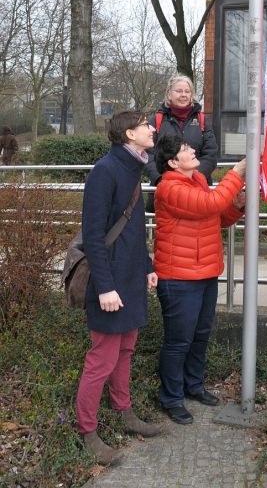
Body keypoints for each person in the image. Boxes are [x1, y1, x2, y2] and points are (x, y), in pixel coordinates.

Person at [76, 110, 163, 466]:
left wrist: (147, 268)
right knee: (102, 358)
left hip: (130, 278)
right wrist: (105, 288)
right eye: (146, 125)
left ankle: (124, 412)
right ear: (129, 134)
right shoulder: (105, 171)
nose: (152, 129)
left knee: (126, 348)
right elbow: (94, 237)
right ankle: (87, 431)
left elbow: (133, 230)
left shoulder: (133, 169)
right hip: (109, 282)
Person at [153, 133, 246, 424]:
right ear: (172, 162)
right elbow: (209, 205)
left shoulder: (198, 182)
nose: (192, 150)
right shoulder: (169, 188)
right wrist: (236, 174)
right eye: (184, 149)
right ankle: (171, 397)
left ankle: (194, 386)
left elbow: (215, 218)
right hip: (179, 277)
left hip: (205, 272)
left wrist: (237, 206)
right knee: (179, 341)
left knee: (199, 336)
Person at [145, 74, 218, 191]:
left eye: (187, 91)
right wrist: (160, 179)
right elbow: (147, 154)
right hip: (165, 189)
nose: (183, 95)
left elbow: (211, 154)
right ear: (169, 94)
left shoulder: (202, 120)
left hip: (198, 187)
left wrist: (194, 177)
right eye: (179, 91)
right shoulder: (157, 120)